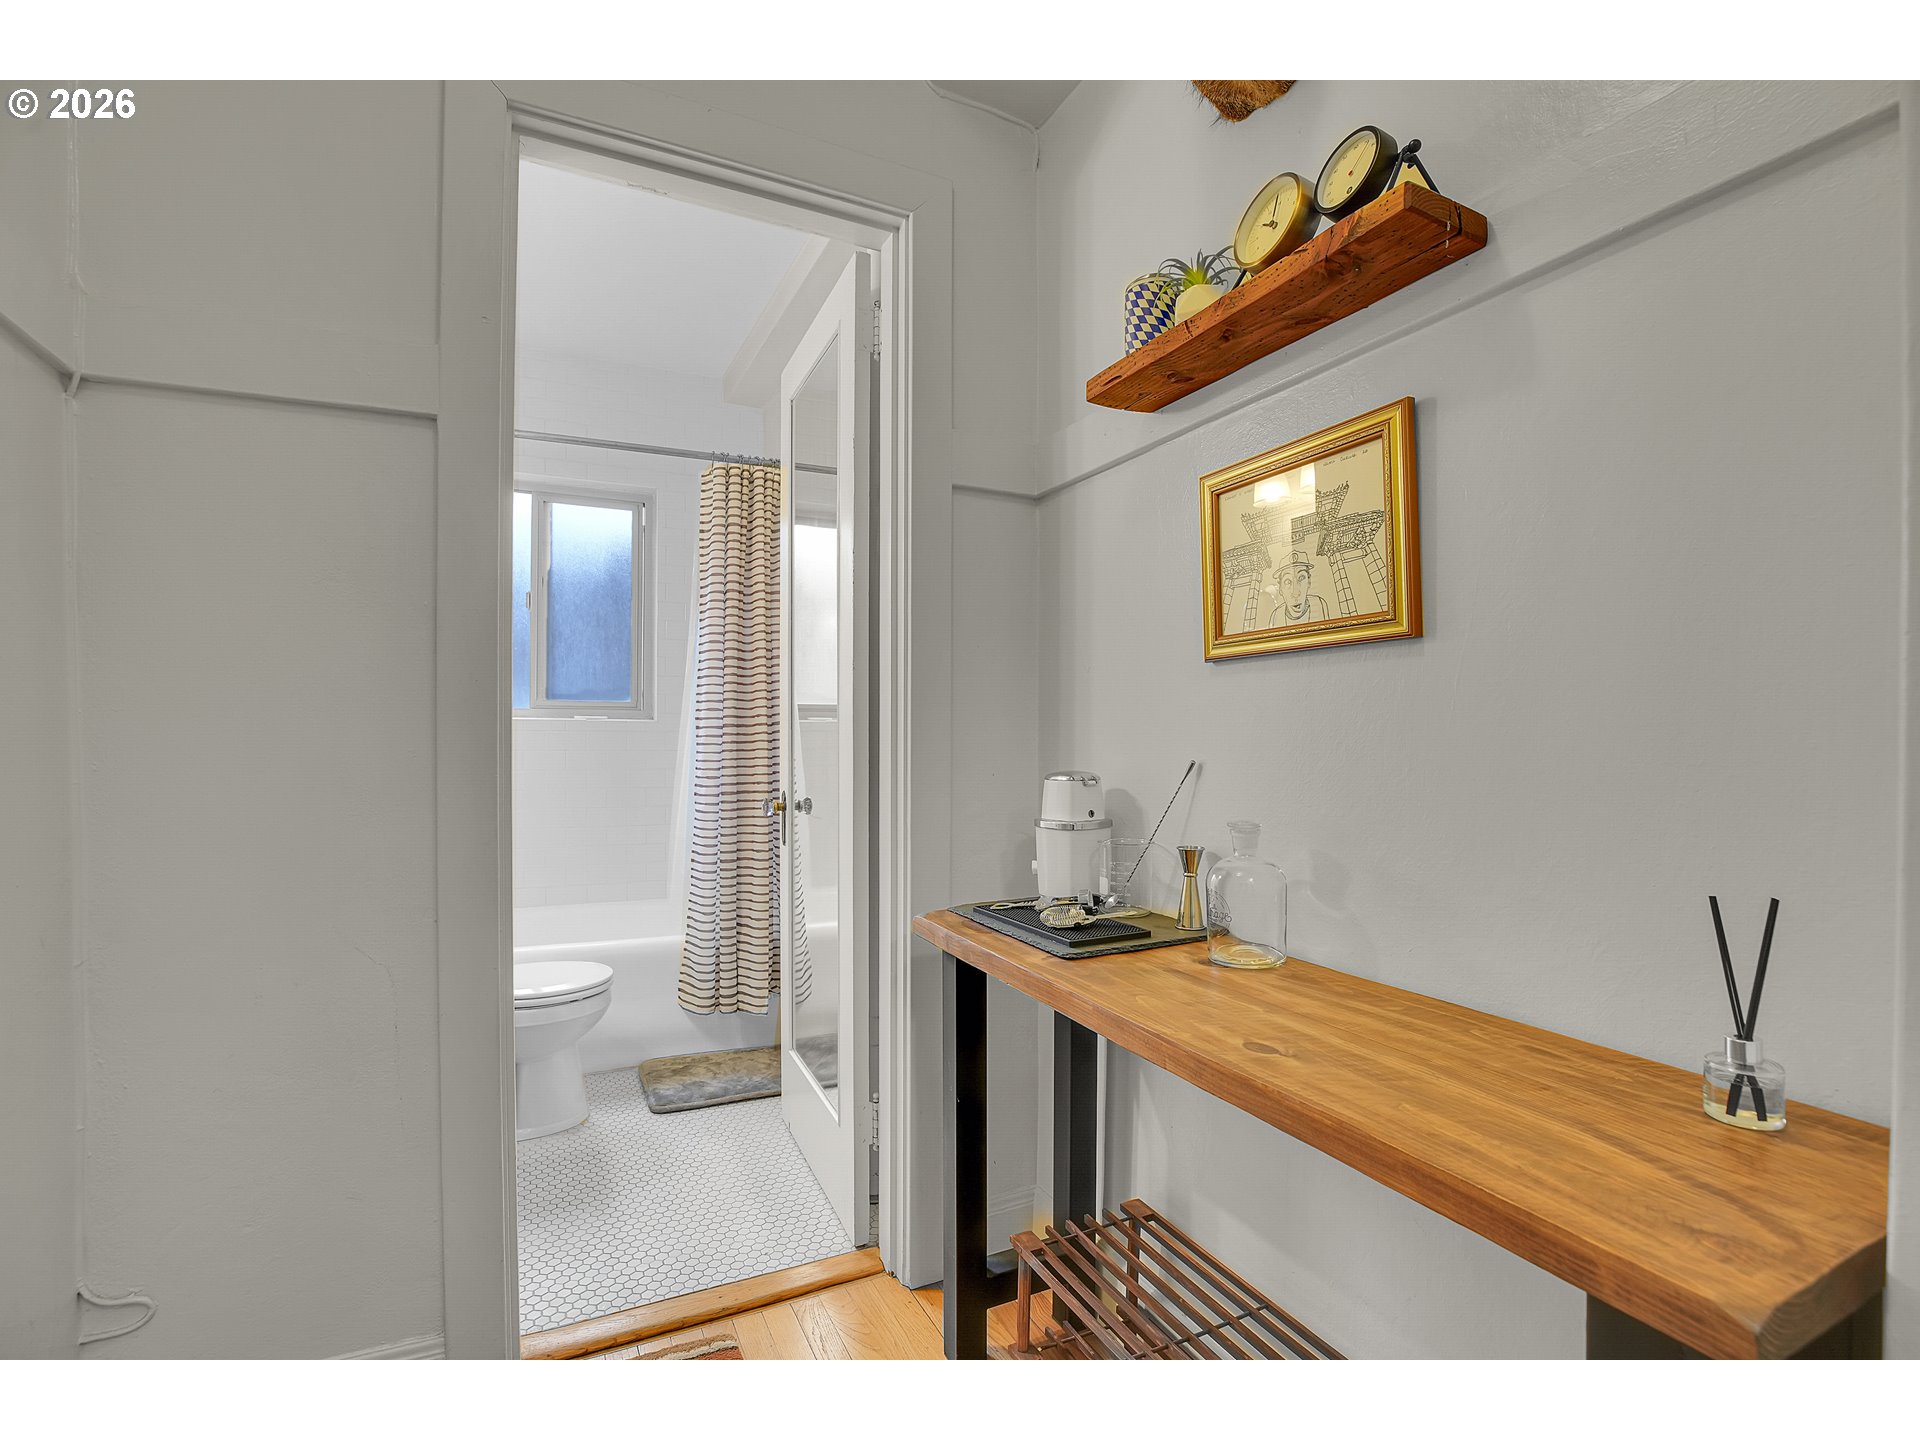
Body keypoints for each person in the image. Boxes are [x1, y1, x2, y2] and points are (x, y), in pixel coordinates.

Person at [1268, 550, 1328, 627]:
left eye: (1301, 578)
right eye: (1287, 582)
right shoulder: (1275, 617)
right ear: (1280, 589)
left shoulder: (1320, 604)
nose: (1295, 593)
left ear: (1309, 582)